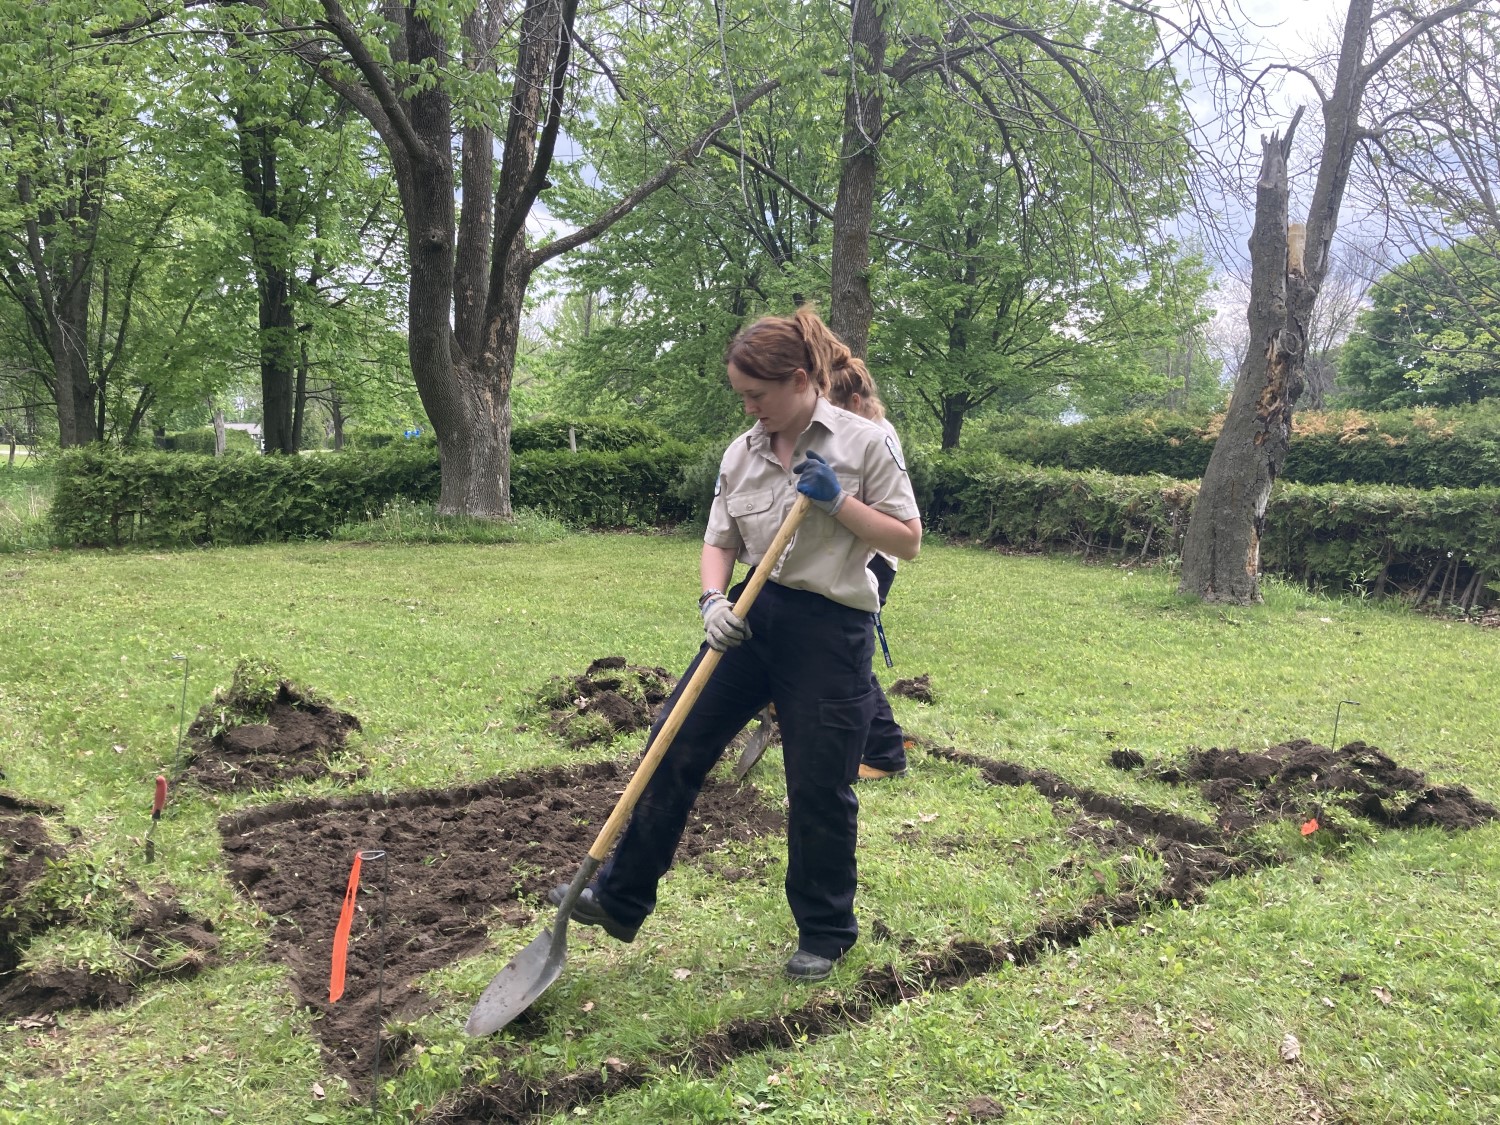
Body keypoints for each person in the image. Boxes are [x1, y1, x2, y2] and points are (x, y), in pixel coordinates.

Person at [548, 305, 922, 982]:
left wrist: (840, 502)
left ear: (801, 379)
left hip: (830, 629)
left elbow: (907, 540)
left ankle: (827, 931)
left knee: (817, 783)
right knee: (675, 737)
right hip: (755, 612)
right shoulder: (742, 451)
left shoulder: (865, 443)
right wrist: (712, 598)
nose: (750, 409)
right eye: (741, 396)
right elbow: (719, 539)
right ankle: (620, 897)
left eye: (759, 394)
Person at [824, 363, 909, 781]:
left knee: (848, 657)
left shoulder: (877, 438)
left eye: (833, 407)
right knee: (833, 653)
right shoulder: (861, 431)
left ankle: (884, 753)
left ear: (854, 403)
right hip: (852, 556)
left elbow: (892, 521)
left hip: (872, 559)